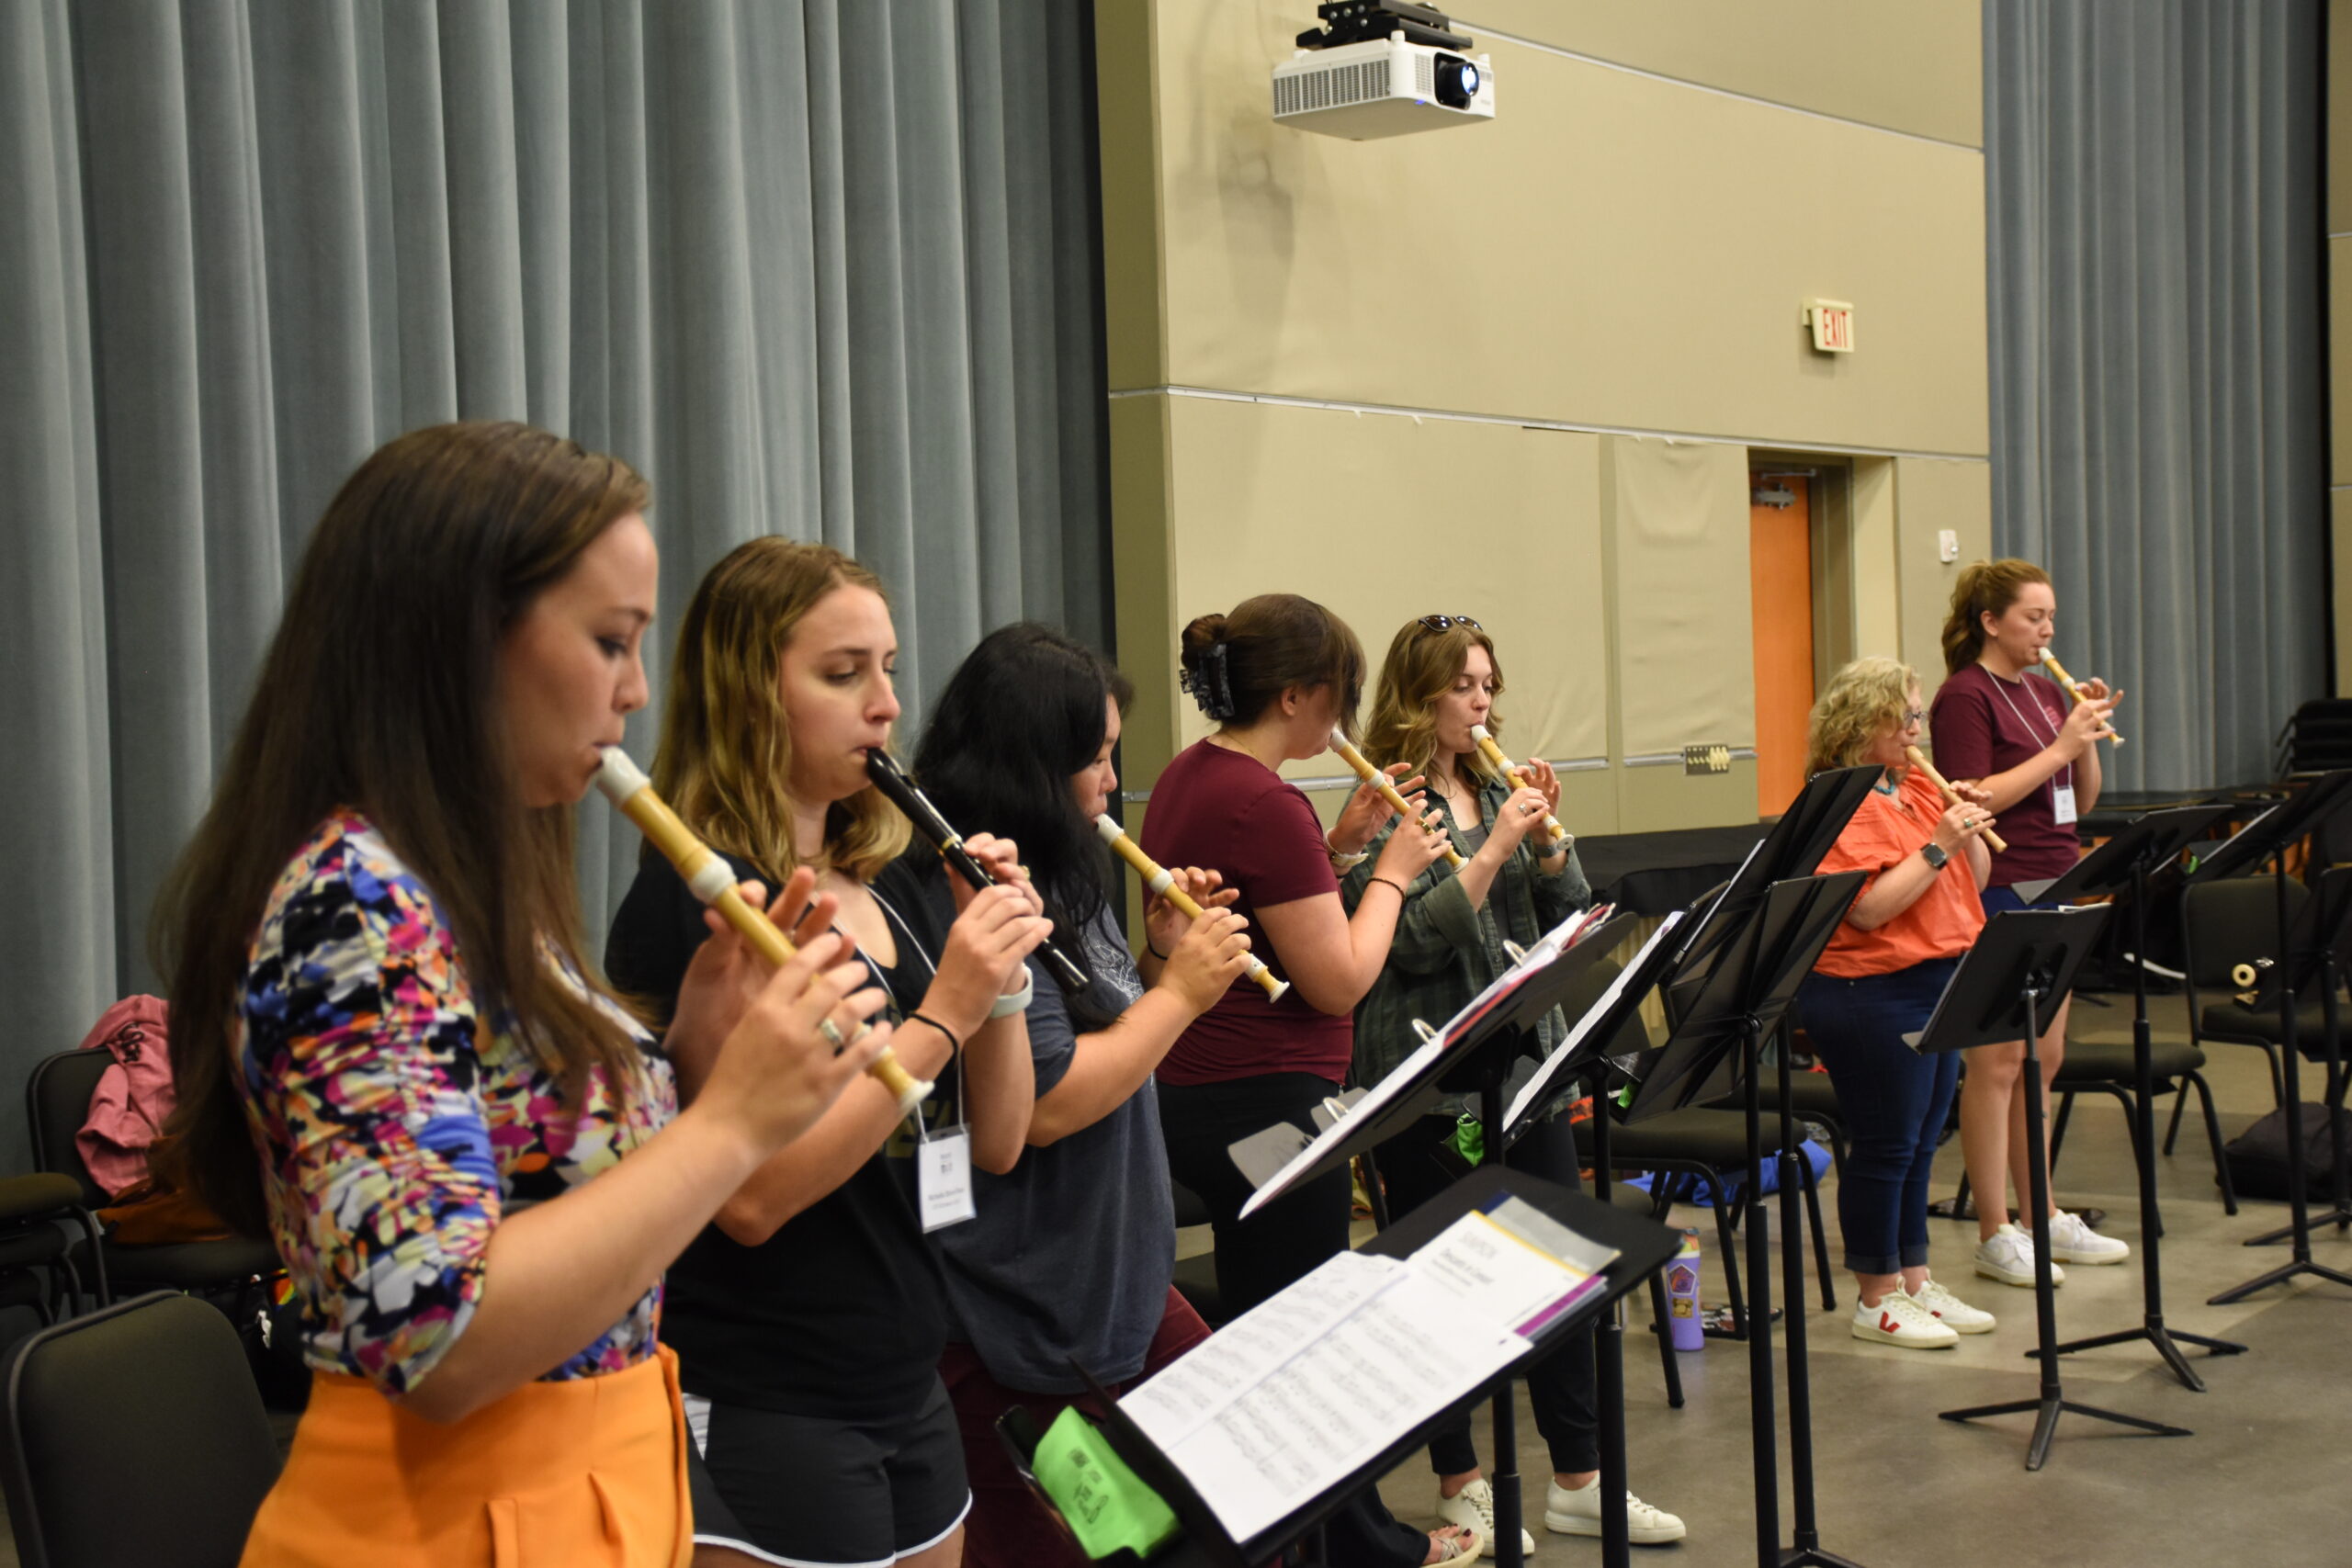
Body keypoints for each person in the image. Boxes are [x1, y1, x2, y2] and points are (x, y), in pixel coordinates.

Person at [155, 422, 889, 1567]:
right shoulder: (357, 902)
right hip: (449, 1520)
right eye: (609, 641)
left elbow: (554, 1190)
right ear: (462, 639)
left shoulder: (466, 889)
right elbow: (433, 1334)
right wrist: (733, 1123)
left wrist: (696, 1052)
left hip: (575, 1491)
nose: (635, 691)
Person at [605, 539, 1050, 1568]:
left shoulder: (886, 881)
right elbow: (750, 1201)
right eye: (844, 674)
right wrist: (942, 1016)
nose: (887, 705)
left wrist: (1001, 976)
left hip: (902, 1364)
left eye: (887, 668)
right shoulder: (708, 903)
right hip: (773, 1388)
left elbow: (997, 1140)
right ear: (749, 697)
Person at [903, 624, 1255, 1568]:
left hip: (1113, 1277)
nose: (1110, 781)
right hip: (1026, 1307)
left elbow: (1098, 1029)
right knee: (1090, 1550)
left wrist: (1158, 960)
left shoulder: (1062, 862)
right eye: (1094, 759)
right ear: (1031, 766)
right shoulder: (971, 891)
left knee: (1239, 1506)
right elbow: (1047, 1103)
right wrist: (1183, 997)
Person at [1145, 592, 1476, 1566]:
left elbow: (1266, 913)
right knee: (1302, 1339)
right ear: (1296, 694)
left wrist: (1336, 851)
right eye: (1339, 693)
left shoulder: (1192, 774)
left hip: (1195, 1092)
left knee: (1270, 1326)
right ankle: (1358, 1549)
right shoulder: (1265, 800)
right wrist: (1394, 869)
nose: (1343, 717)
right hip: (1266, 1102)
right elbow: (1336, 980)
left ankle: (1291, 1535)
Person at [1348, 615, 1688, 1552]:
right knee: (1439, 1288)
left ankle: (1580, 1476)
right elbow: (1410, 943)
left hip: (1523, 1064)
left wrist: (1546, 848)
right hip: (1426, 1076)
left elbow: (1569, 912)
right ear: (1421, 694)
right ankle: (1461, 1480)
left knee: (1558, 1274)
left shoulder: (1495, 783)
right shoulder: (1389, 798)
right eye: (1463, 685)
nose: (1481, 701)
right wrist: (1495, 847)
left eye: (1488, 684)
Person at [1928, 560, 2131, 1287]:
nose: (2047, 630)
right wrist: (2062, 746)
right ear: (1991, 622)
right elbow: (1976, 797)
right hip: (2001, 889)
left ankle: (2042, 1213)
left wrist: (2085, 735)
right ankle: (1994, 1229)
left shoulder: (2046, 692)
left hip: (2058, 881)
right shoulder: (1964, 695)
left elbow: (2082, 798)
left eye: (2051, 618)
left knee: (2044, 1056)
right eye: (2033, 617)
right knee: (1998, 1062)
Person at [1797, 657, 2002, 1348]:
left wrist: (1964, 829)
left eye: (1918, 716)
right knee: (1885, 1144)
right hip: (1869, 991)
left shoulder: (1914, 785)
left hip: (1936, 980)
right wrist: (1940, 846)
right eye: (1906, 717)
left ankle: (1914, 1279)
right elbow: (1867, 910)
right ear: (1864, 723)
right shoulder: (1839, 801)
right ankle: (1876, 1296)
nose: (1918, 730)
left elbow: (1977, 879)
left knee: (1920, 1143)